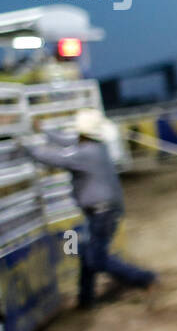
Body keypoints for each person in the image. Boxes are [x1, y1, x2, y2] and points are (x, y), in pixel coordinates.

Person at [23, 107, 158, 308]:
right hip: (103, 210)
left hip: (102, 212)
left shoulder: (86, 153)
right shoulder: (95, 148)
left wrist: (27, 148)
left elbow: (57, 158)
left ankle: (143, 278)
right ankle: (85, 300)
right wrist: (43, 130)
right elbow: (66, 143)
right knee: (89, 255)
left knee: (96, 259)